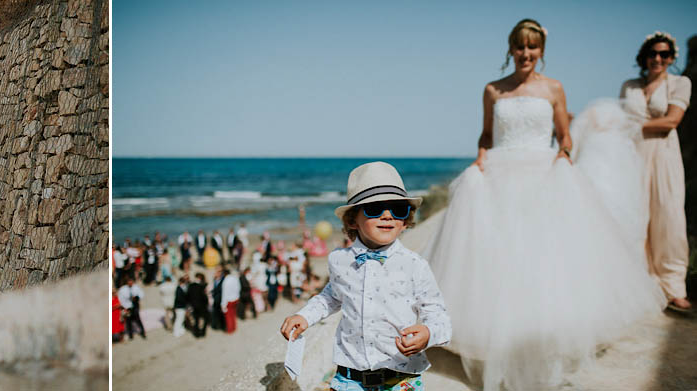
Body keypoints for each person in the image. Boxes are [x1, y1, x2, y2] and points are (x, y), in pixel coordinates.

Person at [423, 20, 665, 390]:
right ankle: (491, 334)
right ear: (511, 49)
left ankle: (545, 333)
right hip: (500, 173)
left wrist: (565, 154)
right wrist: (480, 159)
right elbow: (486, 134)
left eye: (532, 48)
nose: (526, 54)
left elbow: (564, 135)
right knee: (499, 255)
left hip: (543, 172)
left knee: (544, 257)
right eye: (520, 47)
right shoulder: (492, 90)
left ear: (541, 52)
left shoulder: (554, 88)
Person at [281, 161, 450, 391]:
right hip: (350, 377)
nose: (388, 215)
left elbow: (438, 315)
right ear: (352, 220)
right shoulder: (339, 260)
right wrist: (305, 316)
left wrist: (428, 333)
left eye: (398, 209)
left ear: (405, 221)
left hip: (401, 378)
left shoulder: (415, 265)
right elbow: (331, 296)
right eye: (375, 207)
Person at [621, 31, 692, 312]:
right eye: (653, 53)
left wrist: (629, 126)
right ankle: (640, 285)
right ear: (644, 57)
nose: (658, 59)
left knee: (669, 217)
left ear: (672, 58)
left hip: (663, 155)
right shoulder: (630, 86)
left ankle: (674, 287)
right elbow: (619, 118)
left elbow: (671, 120)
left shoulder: (679, 83)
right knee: (634, 219)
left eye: (664, 54)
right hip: (634, 155)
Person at [117, 276, 145, 340]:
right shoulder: (123, 289)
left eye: (131, 282)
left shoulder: (136, 287)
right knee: (128, 321)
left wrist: (137, 297)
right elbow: (121, 299)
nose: (130, 283)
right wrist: (125, 307)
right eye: (129, 282)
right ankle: (130, 335)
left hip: (135, 305)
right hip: (127, 307)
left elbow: (142, 294)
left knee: (138, 319)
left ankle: (142, 332)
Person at [187, 273, 209, 338]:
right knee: (205, 319)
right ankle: (203, 332)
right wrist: (206, 304)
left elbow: (188, 296)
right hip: (202, 306)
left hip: (194, 306)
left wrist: (191, 305)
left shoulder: (190, 286)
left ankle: (197, 333)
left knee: (196, 320)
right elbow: (204, 297)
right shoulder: (201, 286)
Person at [220, 268, 240, 334]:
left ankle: (230, 329)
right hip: (235, 298)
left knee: (228, 316)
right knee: (233, 314)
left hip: (229, 300)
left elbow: (224, 294)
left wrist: (223, 304)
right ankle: (234, 327)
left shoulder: (225, 281)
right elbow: (238, 287)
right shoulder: (234, 278)